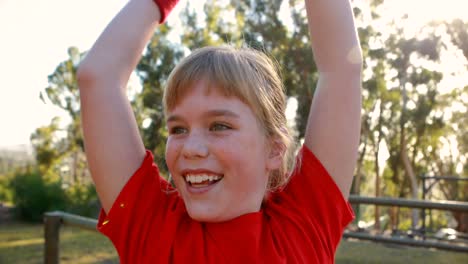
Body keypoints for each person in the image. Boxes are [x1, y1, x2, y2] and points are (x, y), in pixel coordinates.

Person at [77, 0, 362, 263]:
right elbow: (97, 76)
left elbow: (341, 67)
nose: (191, 148)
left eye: (219, 126)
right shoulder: (150, 224)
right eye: (178, 128)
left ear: (274, 149)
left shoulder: (305, 225)